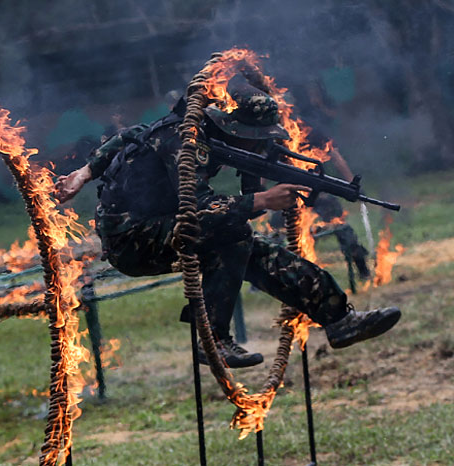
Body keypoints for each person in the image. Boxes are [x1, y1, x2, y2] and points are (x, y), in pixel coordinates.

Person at [56, 77, 400, 368]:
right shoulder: (186, 140)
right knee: (235, 235)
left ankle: (338, 317)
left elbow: (130, 135)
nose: (260, 141)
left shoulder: (200, 132)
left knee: (258, 252)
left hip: (165, 225)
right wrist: (262, 199)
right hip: (132, 238)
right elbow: (198, 209)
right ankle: (212, 339)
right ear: (232, 126)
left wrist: (84, 174)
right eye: (256, 135)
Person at [268, 81, 371, 280]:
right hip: (287, 194)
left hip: (317, 192)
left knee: (341, 227)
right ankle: (266, 277)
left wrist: (352, 186)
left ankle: (362, 268)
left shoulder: (309, 128)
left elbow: (335, 156)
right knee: (274, 234)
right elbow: (266, 164)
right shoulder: (273, 133)